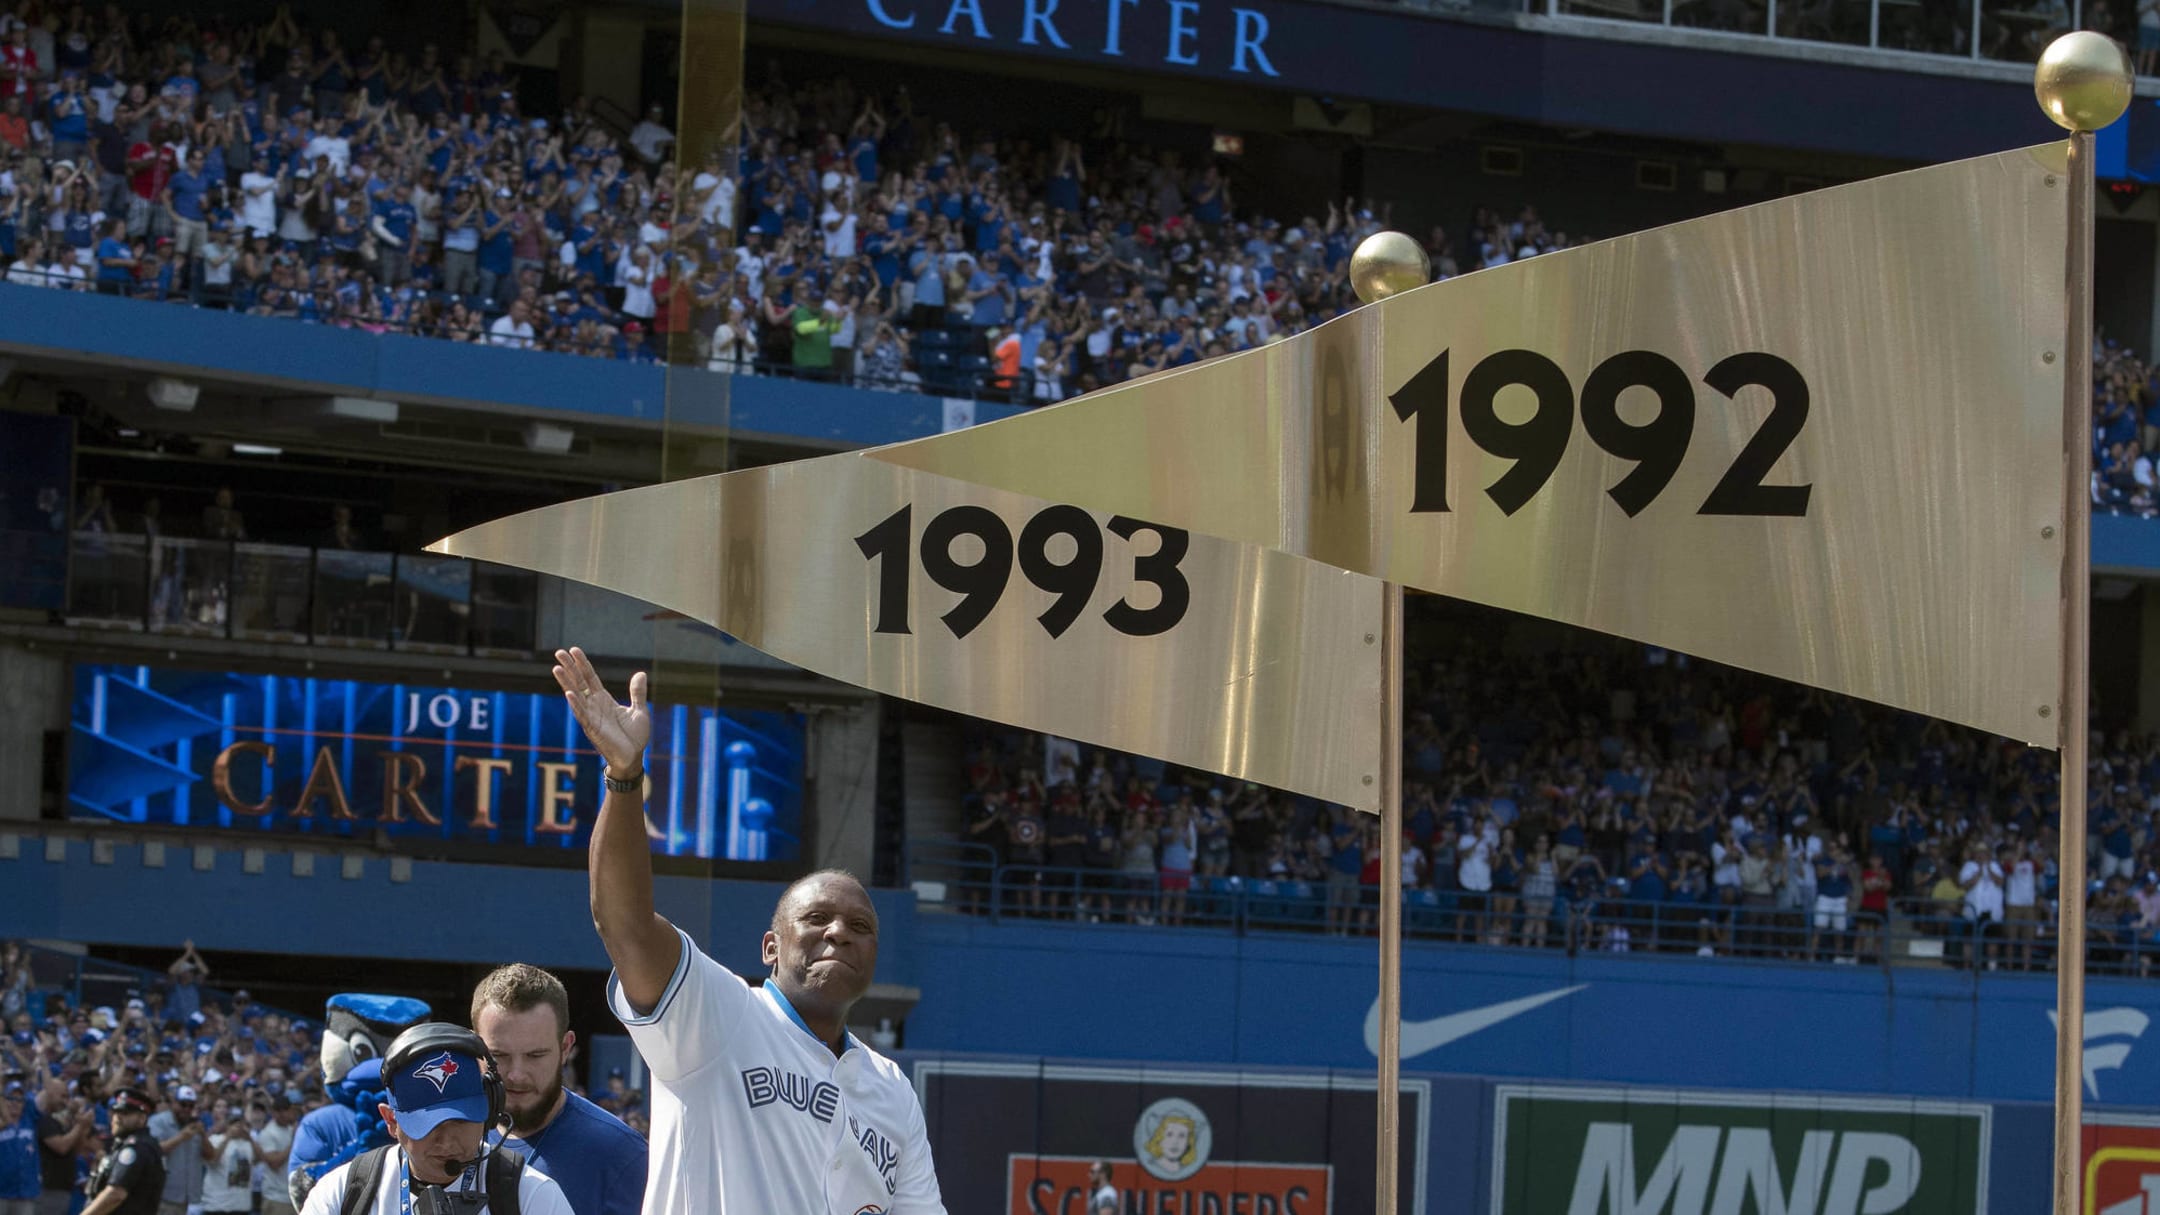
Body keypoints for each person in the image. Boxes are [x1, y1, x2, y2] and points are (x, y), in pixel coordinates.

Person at [551, 646, 948, 1214]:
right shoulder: (719, 1015)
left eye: (859, 926)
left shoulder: (891, 1089)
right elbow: (625, 925)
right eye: (816, 919)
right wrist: (623, 776)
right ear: (771, 947)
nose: (839, 933)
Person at [297, 1024, 571, 1215]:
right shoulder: (340, 1194)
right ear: (391, 1121)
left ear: (489, 1111)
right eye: (429, 1126)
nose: (448, 1141)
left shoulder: (534, 1195)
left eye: (462, 1121)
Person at [468, 965, 645, 1215]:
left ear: (565, 1048)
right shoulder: (444, 1140)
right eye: (498, 1055)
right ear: (475, 1050)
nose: (516, 1074)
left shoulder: (621, 1155)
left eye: (535, 1055)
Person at [78, 1088, 162, 1215]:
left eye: (125, 1113)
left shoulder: (136, 1147)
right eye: (116, 1112)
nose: (117, 1118)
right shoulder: (125, 1143)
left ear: (142, 1118)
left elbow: (116, 1194)